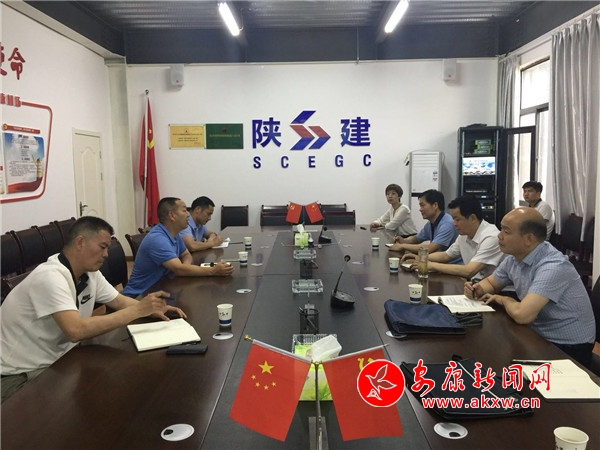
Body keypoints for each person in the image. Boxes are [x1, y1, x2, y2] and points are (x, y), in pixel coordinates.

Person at [0, 216, 187, 402]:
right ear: (80, 242)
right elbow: (76, 330)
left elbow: (119, 301)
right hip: (18, 375)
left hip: (57, 360)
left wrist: (152, 309)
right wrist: (138, 311)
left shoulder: (90, 274)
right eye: (102, 247)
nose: (106, 254)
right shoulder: (50, 277)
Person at [464, 207, 595, 367]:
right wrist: (477, 289)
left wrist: (504, 299)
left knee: (493, 360)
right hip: (538, 333)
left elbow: (522, 315)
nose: (499, 235)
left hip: (568, 347)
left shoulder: (553, 266)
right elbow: (491, 283)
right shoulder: (514, 258)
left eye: (506, 231)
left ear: (528, 239)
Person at [123, 197, 234, 298]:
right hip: (139, 296)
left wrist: (185, 268)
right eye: (184, 210)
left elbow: (186, 255)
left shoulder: (174, 234)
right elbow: (178, 269)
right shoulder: (157, 239)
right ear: (172, 215)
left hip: (161, 288)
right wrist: (214, 270)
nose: (188, 214)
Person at [404, 195, 503, 280]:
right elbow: (446, 255)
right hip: (474, 284)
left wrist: (431, 265)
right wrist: (422, 258)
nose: (454, 223)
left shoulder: (491, 237)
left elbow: (469, 271)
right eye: (453, 219)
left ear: (472, 218)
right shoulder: (464, 234)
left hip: (497, 291)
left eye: (457, 219)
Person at [388, 189, 458, 255]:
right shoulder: (431, 223)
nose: (420, 209)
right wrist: (403, 240)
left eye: (422, 205)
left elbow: (430, 248)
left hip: (449, 263)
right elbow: (417, 238)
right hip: (436, 260)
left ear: (435, 205)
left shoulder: (447, 224)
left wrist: (402, 246)